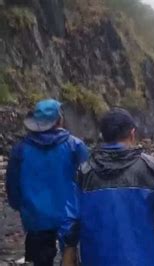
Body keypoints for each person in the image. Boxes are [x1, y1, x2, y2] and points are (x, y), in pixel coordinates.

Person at [59, 107, 154, 266]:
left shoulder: (84, 172)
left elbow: (70, 219)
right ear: (132, 134)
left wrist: (69, 253)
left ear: (102, 136)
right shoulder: (152, 169)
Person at [5, 99, 89, 266]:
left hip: (35, 217)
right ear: (59, 120)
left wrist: (20, 206)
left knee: (40, 261)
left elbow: (12, 185)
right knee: (71, 258)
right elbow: (87, 181)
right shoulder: (75, 146)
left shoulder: (20, 149)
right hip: (70, 216)